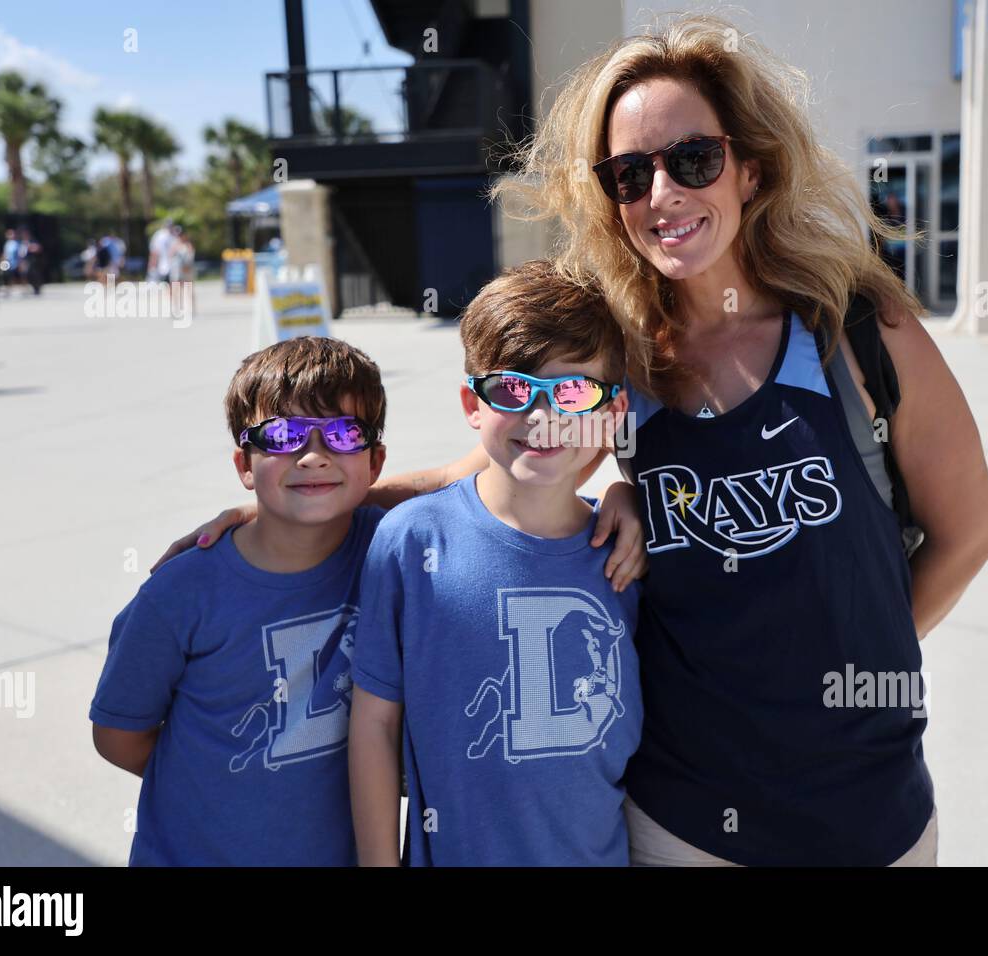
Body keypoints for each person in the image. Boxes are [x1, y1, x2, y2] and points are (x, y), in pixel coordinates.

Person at [155, 13, 988, 867]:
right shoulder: (625, 362)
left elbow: (969, 533)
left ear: (749, 170)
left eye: (693, 160)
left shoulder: (857, 332)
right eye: (630, 174)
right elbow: (486, 468)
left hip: (871, 813)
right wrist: (302, 501)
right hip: (683, 822)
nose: (662, 192)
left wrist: (854, 678)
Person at [348, 259, 642, 866]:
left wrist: (627, 492)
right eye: (513, 388)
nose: (542, 416)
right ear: (472, 404)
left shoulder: (628, 553)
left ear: (612, 413)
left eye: (573, 391)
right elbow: (375, 725)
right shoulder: (412, 542)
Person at [89, 336, 389, 865]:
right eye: (282, 435)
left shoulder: (391, 547)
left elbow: (482, 481)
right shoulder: (180, 593)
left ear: (375, 461)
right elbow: (119, 735)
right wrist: (220, 779)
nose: (314, 456)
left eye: (344, 433)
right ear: (244, 465)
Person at [147, 218, 174, 284]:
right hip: (163, 266)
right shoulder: (160, 235)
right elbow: (155, 252)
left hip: (170, 266)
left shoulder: (172, 235)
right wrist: (152, 265)